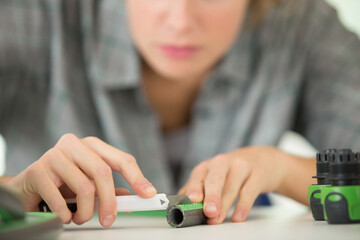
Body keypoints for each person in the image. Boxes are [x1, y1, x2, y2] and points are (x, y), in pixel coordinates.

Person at [0, 0, 359, 228]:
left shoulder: (300, 24)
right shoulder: (29, 16)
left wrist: (281, 169)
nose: (180, 20)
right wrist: (15, 194)